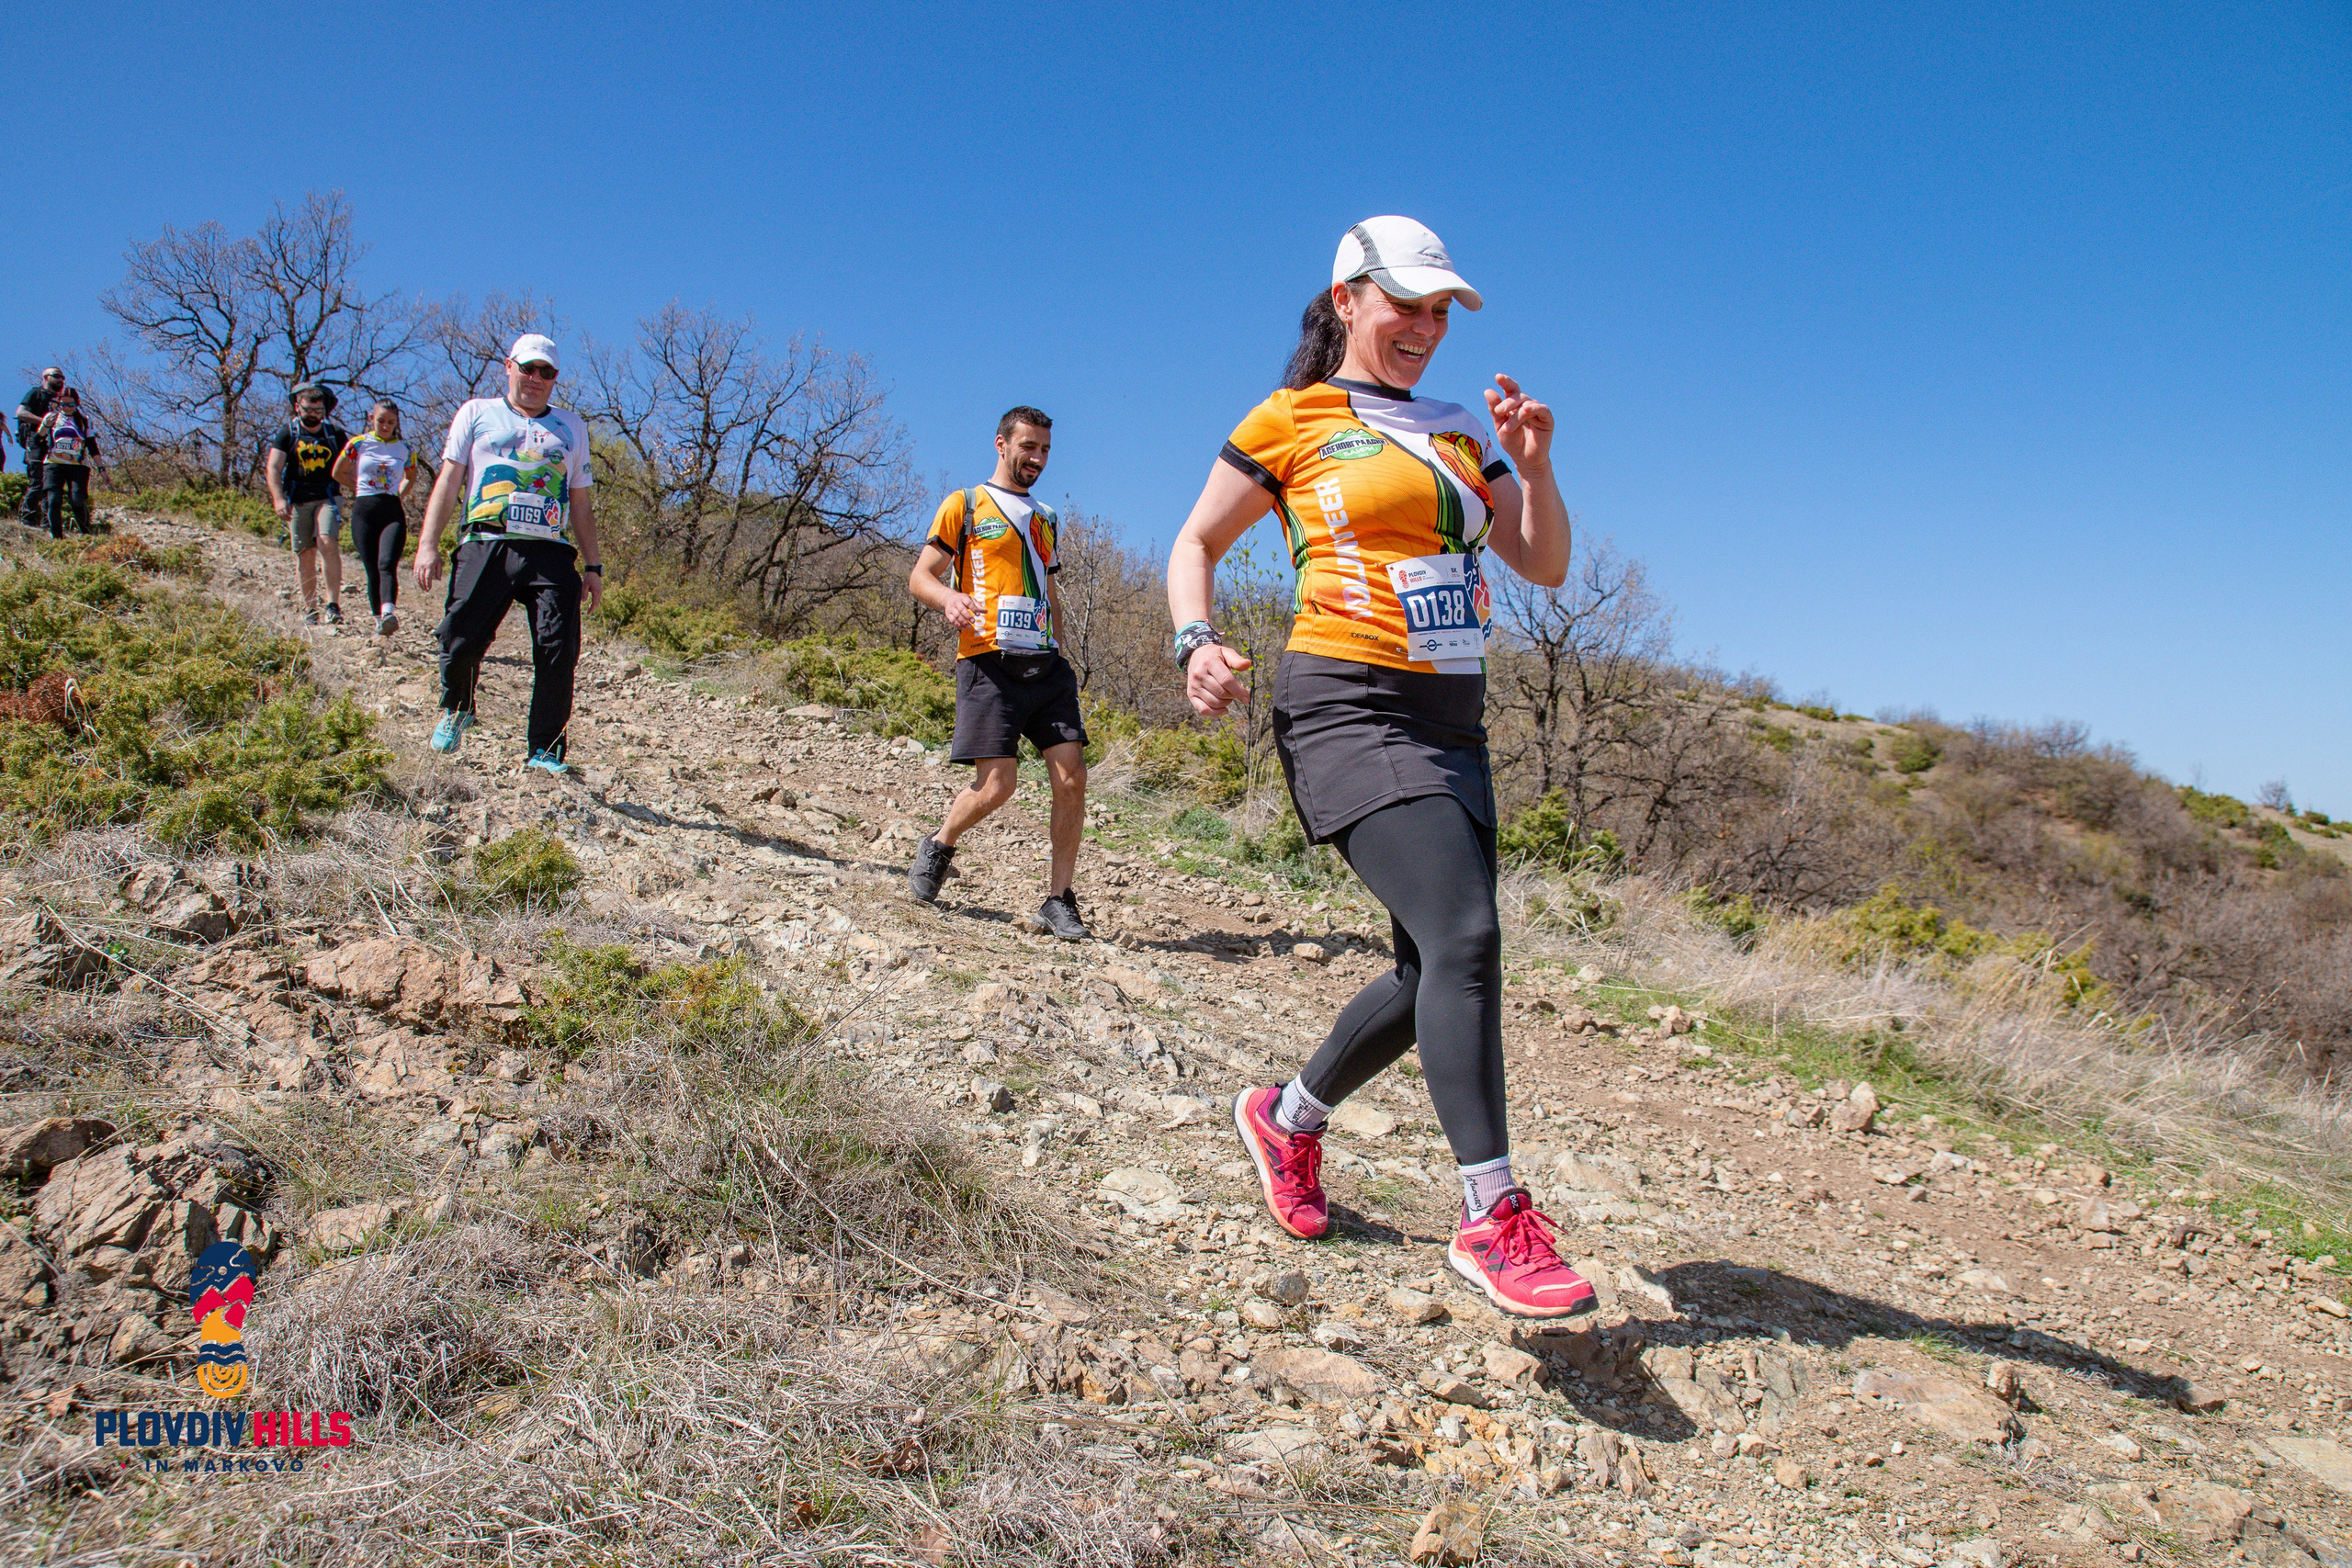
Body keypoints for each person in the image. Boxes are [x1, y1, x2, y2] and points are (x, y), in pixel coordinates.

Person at [1165, 217, 1588, 1318]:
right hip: (1346, 702)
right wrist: (1195, 639)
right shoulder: (1295, 419)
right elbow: (1196, 542)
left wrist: (1533, 472)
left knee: (1427, 969)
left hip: (1453, 718)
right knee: (1467, 940)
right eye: (1406, 303)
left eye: (1442, 309)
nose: (1427, 327)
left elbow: (1538, 562)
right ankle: (1494, 1217)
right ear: (1347, 297)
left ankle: (1286, 1118)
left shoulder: (1460, 430)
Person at [903, 406, 1091, 941]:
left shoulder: (1046, 517)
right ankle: (940, 844)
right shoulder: (964, 506)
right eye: (1028, 446)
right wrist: (948, 599)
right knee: (997, 785)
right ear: (1001, 444)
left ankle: (1058, 899)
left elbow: (1047, 588)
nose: (1037, 458)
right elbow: (921, 576)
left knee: (1072, 776)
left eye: (1046, 450)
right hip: (987, 661)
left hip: (1045, 663)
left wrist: (1060, 644)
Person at [411, 333, 602, 773]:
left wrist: (592, 565)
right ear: (508, 366)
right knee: (459, 639)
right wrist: (428, 543)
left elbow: (581, 501)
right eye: (528, 368)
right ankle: (459, 707)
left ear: (555, 379)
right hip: (485, 541)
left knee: (558, 649)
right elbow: (449, 480)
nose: (536, 379)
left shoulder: (571, 426)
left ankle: (545, 750)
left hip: (549, 550)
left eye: (546, 372)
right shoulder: (477, 413)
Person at [332, 400, 431, 637]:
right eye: (381, 421)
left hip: (392, 510)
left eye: (391, 422)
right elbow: (338, 472)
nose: (386, 426)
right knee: (371, 567)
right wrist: (358, 488)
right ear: (370, 419)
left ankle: (389, 613)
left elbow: (411, 476)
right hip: (364, 509)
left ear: (397, 423)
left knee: (387, 563)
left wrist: (399, 493)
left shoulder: (406, 449)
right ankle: (378, 621)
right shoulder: (358, 444)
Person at [265, 385, 352, 626]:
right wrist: (279, 498)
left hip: (328, 496)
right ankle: (310, 607)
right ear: (297, 407)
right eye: (309, 409)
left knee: (327, 541)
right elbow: (273, 467)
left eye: (318, 410)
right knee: (305, 554)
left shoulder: (335, 434)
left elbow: (350, 464)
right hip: (297, 499)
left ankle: (333, 605)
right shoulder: (287, 434)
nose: (314, 414)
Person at [33, 387, 101, 539]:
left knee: (77, 499)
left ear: (77, 404)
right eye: (63, 404)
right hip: (53, 464)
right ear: (59, 404)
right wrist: (45, 426)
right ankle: (57, 537)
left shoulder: (85, 421)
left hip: (78, 465)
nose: (67, 408)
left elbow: (92, 445)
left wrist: (101, 468)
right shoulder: (51, 418)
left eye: (71, 405)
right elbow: (37, 440)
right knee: (54, 500)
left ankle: (85, 534)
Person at [15, 367, 63, 528]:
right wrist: (44, 423)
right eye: (56, 376)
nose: (60, 380)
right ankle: (27, 519)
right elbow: (21, 413)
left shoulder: (62, 400)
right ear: (46, 377)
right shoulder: (36, 393)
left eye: (62, 377)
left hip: (54, 445)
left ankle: (47, 523)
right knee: (36, 481)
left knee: (50, 484)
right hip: (35, 441)